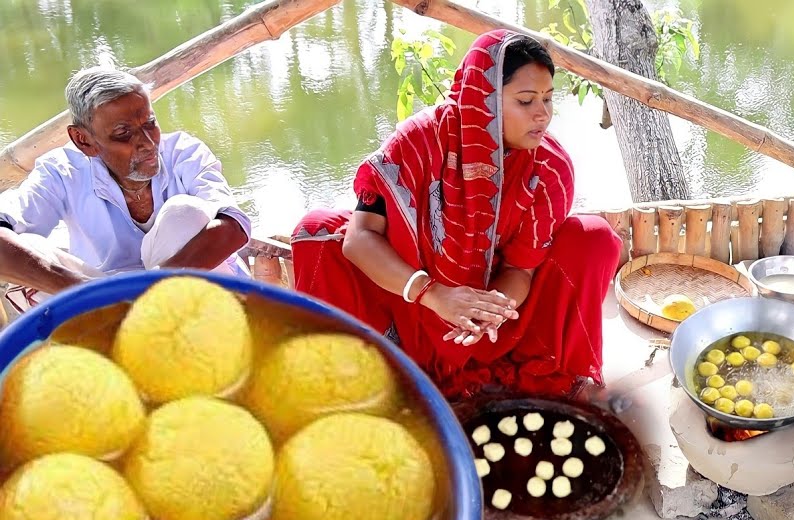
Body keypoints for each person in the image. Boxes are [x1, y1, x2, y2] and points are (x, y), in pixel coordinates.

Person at [290, 30, 622, 402]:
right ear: (484, 99)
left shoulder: (548, 167)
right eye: (526, 100)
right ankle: (371, 368)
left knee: (594, 238)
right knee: (317, 231)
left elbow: (520, 271)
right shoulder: (419, 141)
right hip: (411, 302)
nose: (543, 114)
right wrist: (432, 293)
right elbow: (359, 237)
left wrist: (486, 310)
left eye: (547, 98)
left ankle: (530, 368)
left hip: (491, 326)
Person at [0, 67, 252, 311]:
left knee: (185, 213)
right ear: (83, 140)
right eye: (123, 132)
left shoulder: (184, 153)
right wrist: (92, 292)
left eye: (150, 123)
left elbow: (234, 227)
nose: (148, 143)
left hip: (189, 294)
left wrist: (146, 294)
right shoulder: (61, 170)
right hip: (103, 302)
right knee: (26, 251)